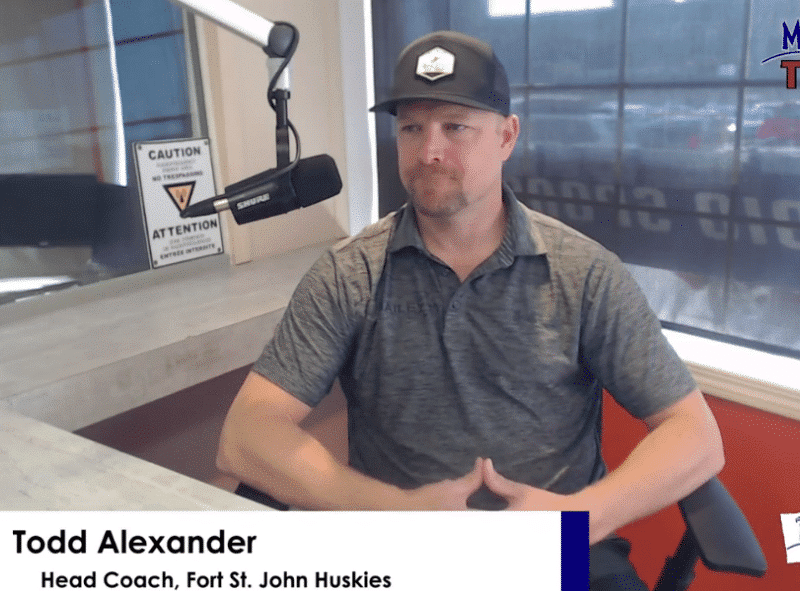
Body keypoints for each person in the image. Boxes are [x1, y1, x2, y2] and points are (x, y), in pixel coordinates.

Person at [216, 31, 724, 590]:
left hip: (556, 557)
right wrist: (395, 511)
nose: (429, 149)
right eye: (412, 127)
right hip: (404, 558)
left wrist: (580, 519)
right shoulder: (349, 275)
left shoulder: (584, 273)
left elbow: (695, 435)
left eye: (455, 126)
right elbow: (246, 435)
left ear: (507, 136)